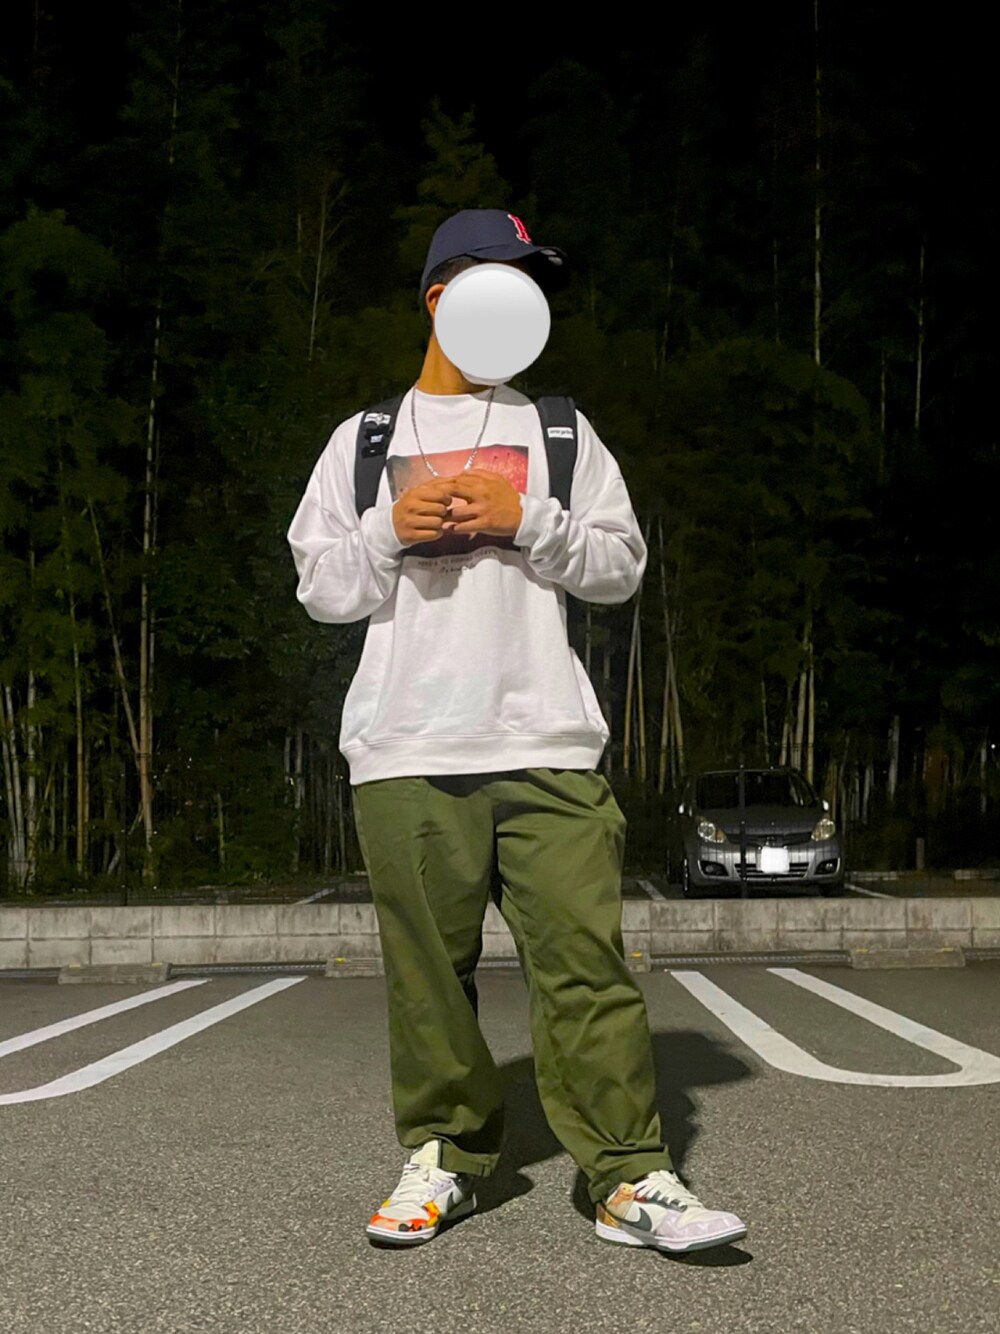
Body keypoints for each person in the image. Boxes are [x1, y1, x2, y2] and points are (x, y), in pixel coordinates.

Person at [286, 209, 747, 1255]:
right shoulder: (365, 440)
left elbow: (619, 568)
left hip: (546, 741)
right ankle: (446, 1156)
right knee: (426, 977)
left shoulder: (560, 433)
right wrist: (386, 530)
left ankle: (627, 1176)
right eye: (504, 282)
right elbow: (322, 589)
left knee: (586, 965)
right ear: (441, 299)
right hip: (407, 745)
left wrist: (524, 518)